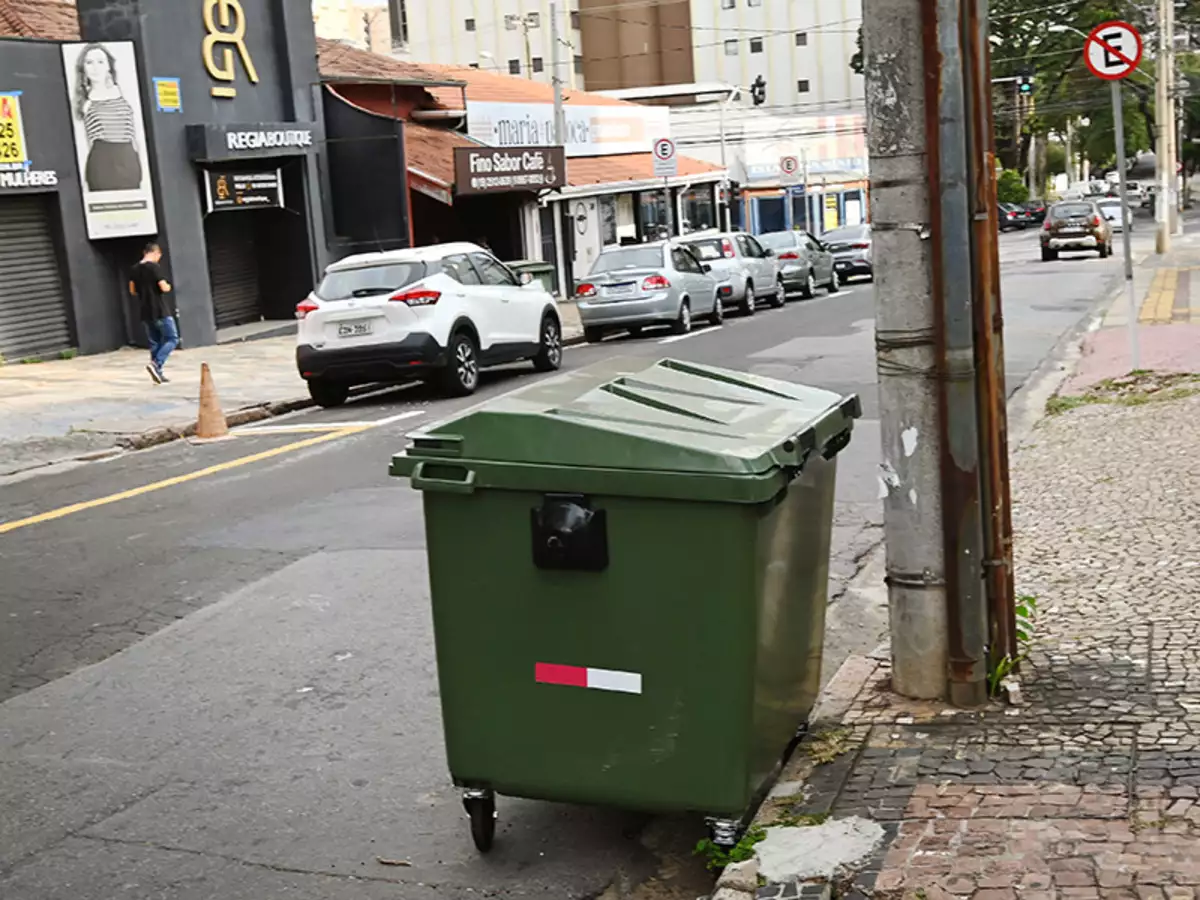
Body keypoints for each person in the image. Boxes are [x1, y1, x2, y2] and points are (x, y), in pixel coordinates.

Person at [74, 43, 142, 193]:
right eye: (89, 62)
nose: (95, 67)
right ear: (83, 68)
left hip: (128, 157)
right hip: (102, 160)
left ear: (108, 66)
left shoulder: (125, 93)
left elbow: (137, 135)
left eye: (100, 61)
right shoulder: (84, 102)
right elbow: (84, 143)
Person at [129, 243, 176, 384]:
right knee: (172, 338)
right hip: (160, 310)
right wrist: (168, 286)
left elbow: (132, 290)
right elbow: (163, 287)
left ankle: (158, 373)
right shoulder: (154, 268)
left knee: (155, 341)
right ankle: (156, 364)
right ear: (156, 253)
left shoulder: (134, 269)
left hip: (145, 311)